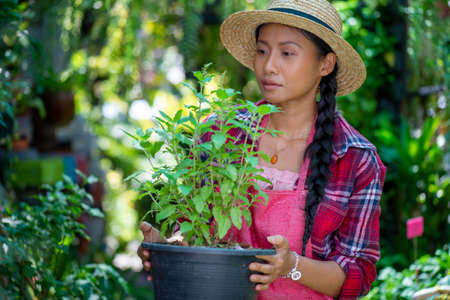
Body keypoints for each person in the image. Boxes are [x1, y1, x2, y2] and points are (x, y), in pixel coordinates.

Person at [137, 0, 386, 299]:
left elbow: (357, 277)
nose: (269, 66)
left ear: (326, 64)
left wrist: (291, 265)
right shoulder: (219, 135)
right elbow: (194, 232)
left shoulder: (354, 157)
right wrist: (167, 248)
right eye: (262, 50)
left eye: (287, 53)